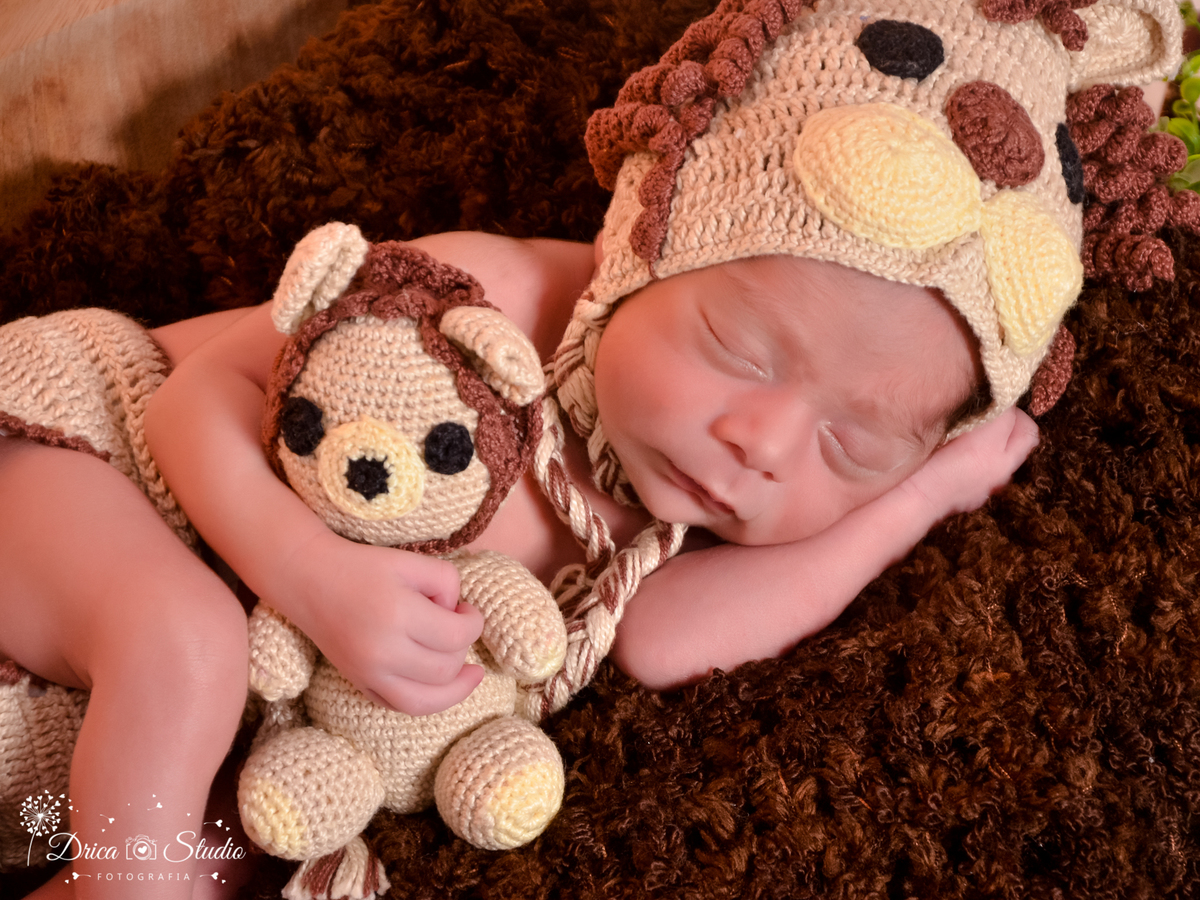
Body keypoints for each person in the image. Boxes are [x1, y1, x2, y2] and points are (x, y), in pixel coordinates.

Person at [4, 0, 1148, 894]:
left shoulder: (679, 523)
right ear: (649, 242)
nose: (760, 444)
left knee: (219, 853)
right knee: (184, 643)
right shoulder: (482, 297)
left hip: (87, 761)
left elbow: (662, 641)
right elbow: (192, 399)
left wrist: (918, 499)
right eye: (739, 350)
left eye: (851, 447)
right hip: (73, 457)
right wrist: (310, 574)